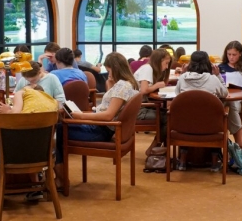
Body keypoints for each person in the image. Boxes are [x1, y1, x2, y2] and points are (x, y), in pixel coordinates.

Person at [54, 52, 139, 188]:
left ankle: (61, 180)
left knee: (58, 131)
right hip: (106, 128)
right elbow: (113, 105)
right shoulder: (128, 84)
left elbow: (108, 115)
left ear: (115, 68)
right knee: (62, 127)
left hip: (101, 130)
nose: (108, 73)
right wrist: (110, 85)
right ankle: (60, 177)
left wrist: (81, 115)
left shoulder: (122, 86)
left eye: (109, 70)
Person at [174, 51, 228, 172]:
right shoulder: (213, 79)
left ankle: (182, 160)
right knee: (215, 116)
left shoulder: (183, 78)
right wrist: (218, 75)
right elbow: (225, 93)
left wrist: (183, 73)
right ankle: (214, 161)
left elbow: (177, 95)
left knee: (189, 115)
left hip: (185, 126)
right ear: (208, 64)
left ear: (190, 64)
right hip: (211, 126)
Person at [134, 48, 171, 154]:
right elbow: (143, 90)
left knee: (168, 114)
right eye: (166, 63)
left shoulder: (149, 68)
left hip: (142, 106)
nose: (167, 67)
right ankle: (155, 147)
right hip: (138, 110)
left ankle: (158, 147)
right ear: (159, 61)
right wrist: (157, 85)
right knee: (169, 118)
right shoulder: (147, 68)